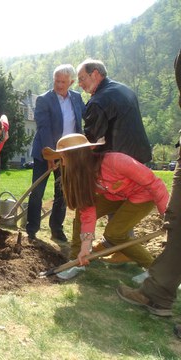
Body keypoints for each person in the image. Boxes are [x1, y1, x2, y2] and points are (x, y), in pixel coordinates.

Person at [41, 133, 169, 281]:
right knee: (81, 214)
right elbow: (87, 211)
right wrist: (85, 248)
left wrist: (167, 215)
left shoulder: (116, 161)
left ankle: (155, 270)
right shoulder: (83, 176)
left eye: (64, 158)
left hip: (143, 196)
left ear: (77, 156)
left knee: (114, 234)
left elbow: (154, 183)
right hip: (115, 196)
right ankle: (77, 261)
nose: (62, 164)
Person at [116, 49, 181, 324]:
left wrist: (163, 207)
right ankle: (158, 295)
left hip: (147, 190)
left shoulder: (115, 162)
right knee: (176, 225)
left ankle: (157, 291)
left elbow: (153, 183)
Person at [77, 58, 152, 261]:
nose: (80, 84)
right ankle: (119, 246)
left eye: (82, 78)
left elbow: (91, 140)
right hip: (139, 157)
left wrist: (76, 156)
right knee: (126, 203)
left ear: (95, 74)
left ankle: (119, 246)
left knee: (112, 200)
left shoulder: (98, 101)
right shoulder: (124, 90)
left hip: (118, 161)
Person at [26, 64, 85, 242]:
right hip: (45, 151)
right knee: (37, 191)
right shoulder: (44, 100)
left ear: (71, 82)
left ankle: (56, 229)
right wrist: (49, 154)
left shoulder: (77, 98)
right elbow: (44, 128)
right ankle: (32, 229)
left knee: (62, 192)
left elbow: (85, 119)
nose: (59, 85)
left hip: (68, 154)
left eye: (63, 82)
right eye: (56, 81)